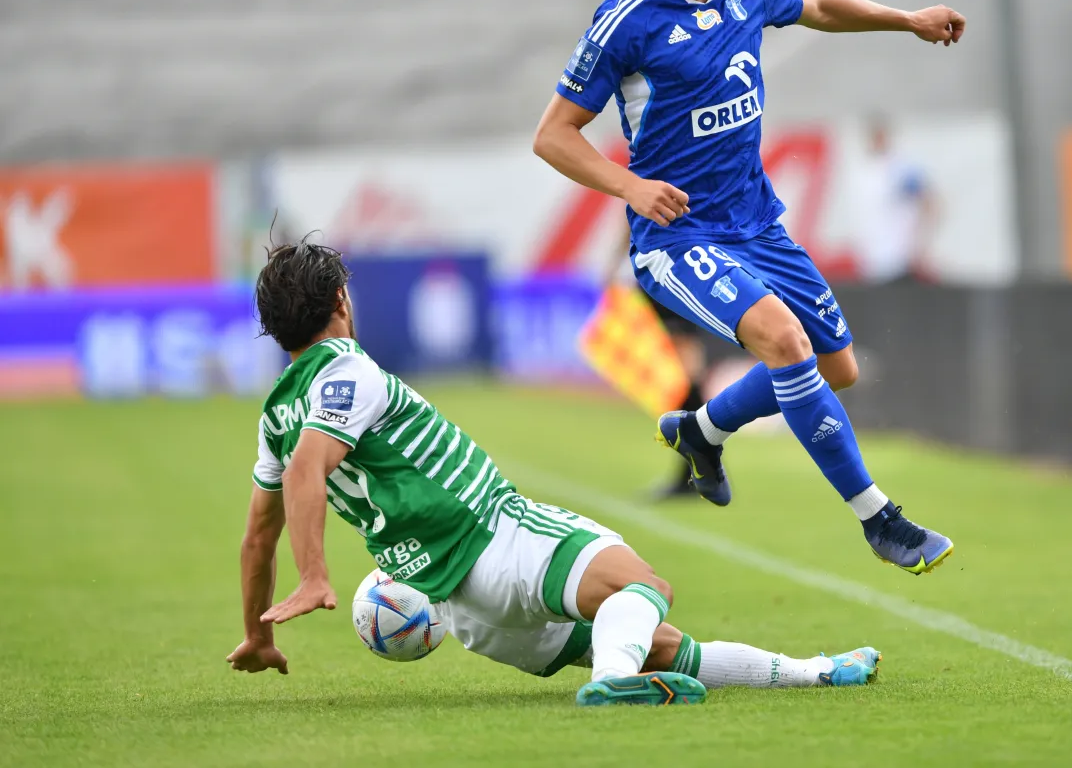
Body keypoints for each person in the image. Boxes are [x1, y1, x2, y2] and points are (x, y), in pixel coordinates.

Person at [226, 237, 881, 707]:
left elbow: (259, 533)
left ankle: (817, 672)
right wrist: (313, 571)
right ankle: (615, 682)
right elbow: (312, 466)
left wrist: (258, 632)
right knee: (643, 585)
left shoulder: (275, 414)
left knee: (661, 643)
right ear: (341, 298)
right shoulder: (349, 370)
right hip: (492, 537)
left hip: (466, 611)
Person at [532, 0, 962, 574]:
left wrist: (906, 19)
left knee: (836, 366)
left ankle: (699, 431)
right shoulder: (626, 20)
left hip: (758, 224)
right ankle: (881, 519)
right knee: (785, 342)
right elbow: (553, 134)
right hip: (678, 237)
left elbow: (818, 5)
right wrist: (632, 188)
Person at [607, 228, 710, 498]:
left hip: (672, 271)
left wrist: (615, 263)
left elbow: (630, 217)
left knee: (684, 378)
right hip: (660, 273)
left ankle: (698, 472)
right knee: (679, 379)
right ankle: (695, 472)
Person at [851, 117, 940, 284]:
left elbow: (930, 202)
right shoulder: (867, 168)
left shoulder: (900, 168)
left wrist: (920, 247)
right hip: (872, 262)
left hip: (899, 261)